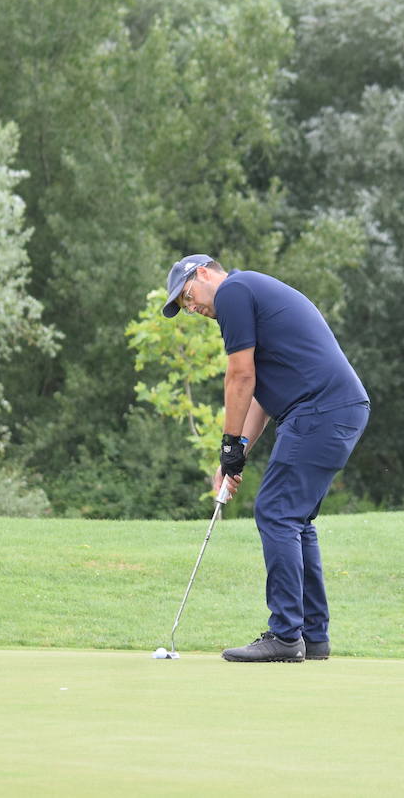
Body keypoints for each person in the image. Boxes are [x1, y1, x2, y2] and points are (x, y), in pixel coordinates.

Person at [161, 254, 370, 662]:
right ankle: (312, 636)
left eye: (188, 297)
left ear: (204, 273)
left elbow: (239, 376)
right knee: (294, 518)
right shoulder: (251, 292)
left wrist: (228, 446)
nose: (193, 308)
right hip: (337, 409)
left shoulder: (234, 291)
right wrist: (234, 456)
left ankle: (285, 635)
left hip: (320, 410)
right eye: (185, 307)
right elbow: (258, 395)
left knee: (276, 511)